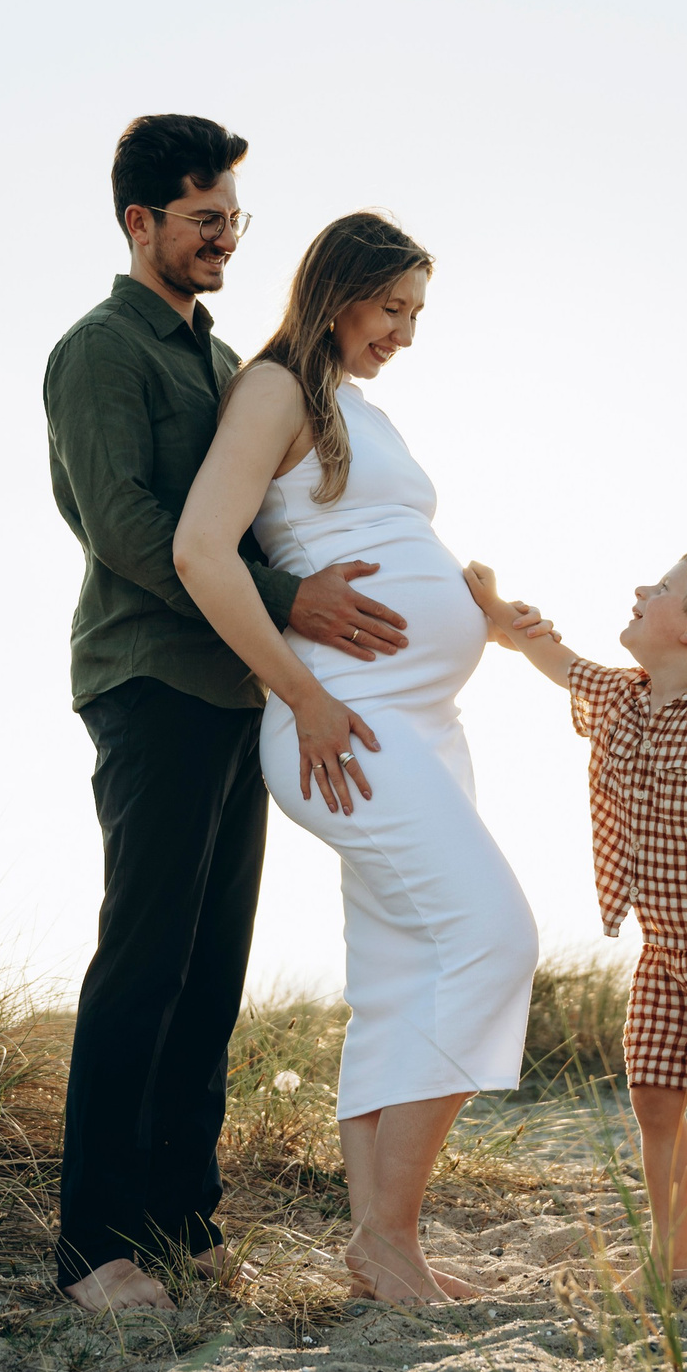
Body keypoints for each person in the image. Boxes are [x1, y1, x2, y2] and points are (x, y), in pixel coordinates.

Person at [43, 117, 414, 1313]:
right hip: (148, 678)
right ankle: (93, 1247)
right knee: (142, 959)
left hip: (233, 691)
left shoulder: (223, 366)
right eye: (205, 222)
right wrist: (289, 601)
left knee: (211, 971)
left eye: (235, 220)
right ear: (138, 221)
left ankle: (182, 1220)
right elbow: (134, 534)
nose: (225, 242)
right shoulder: (101, 351)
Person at [175, 211, 542, 1306]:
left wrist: (476, 609)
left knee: (397, 979)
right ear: (337, 290)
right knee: (493, 937)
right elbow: (201, 548)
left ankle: (389, 1244)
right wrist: (306, 695)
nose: (406, 332)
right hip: (344, 721)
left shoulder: (357, 406)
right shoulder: (275, 389)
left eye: (417, 313)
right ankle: (384, 1236)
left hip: (417, 722)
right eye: (393, 307)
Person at [462, 551, 687, 1307]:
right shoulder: (625, 697)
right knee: (653, 1095)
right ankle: (676, 1256)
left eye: (661, 587)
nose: (641, 590)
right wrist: (495, 609)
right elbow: (557, 660)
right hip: (663, 949)